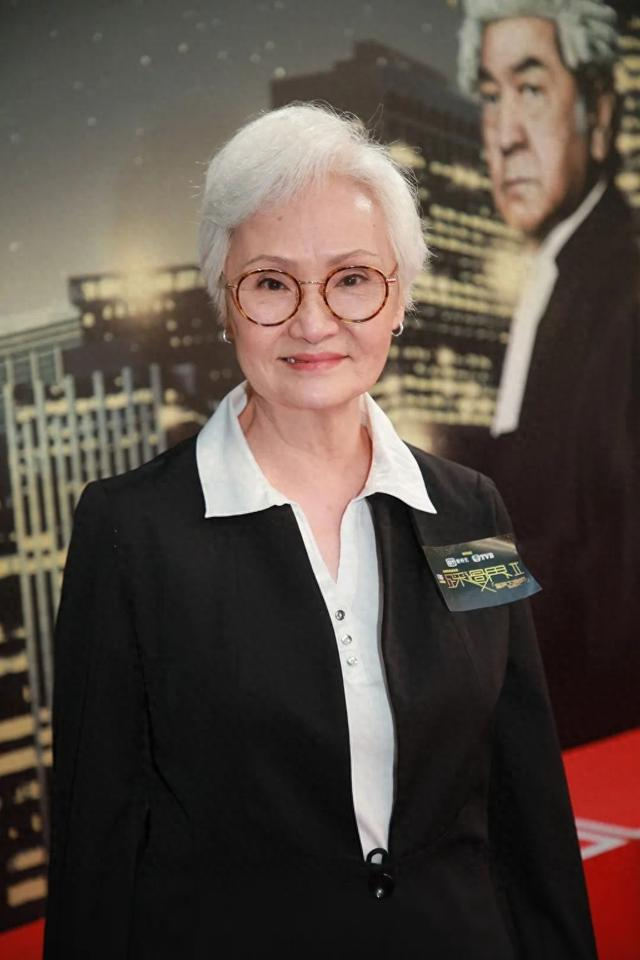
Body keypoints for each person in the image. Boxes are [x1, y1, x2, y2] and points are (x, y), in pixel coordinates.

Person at [44, 103, 596, 959]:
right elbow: (97, 838)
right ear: (225, 304)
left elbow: (526, 798)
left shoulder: (469, 509)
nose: (313, 321)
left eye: (352, 278)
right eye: (271, 282)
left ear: (399, 298)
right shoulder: (130, 533)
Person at [457, 0, 640, 746]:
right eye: (490, 96)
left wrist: (454, 572)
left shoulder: (625, 298)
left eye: (531, 88)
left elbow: (611, 595)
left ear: (600, 113)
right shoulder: (560, 274)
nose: (503, 135)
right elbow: (547, 479)